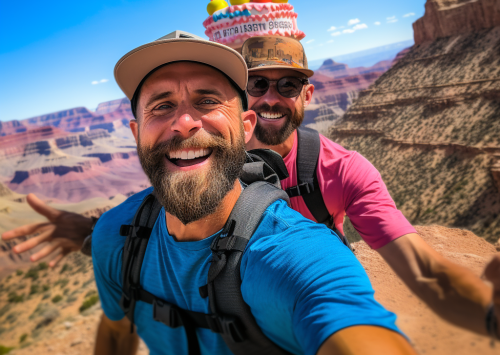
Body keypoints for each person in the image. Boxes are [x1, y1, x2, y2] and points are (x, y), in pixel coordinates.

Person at [2, 34, 498, 342]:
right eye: (257, 85)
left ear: (307, 94)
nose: (270, 99)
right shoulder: (202, 155)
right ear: (242, 104)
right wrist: (93, 232)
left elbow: (425, 274)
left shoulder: (344, 171)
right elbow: (158, 217)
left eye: (287, 85)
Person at [90, 30, 415, 354]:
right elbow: (117, 332)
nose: (184, 122)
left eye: (207, 101)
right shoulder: (115, 234)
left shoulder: (294, 252)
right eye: (161, 106)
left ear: (246, 127)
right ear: (136, 133)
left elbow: (341, 312)